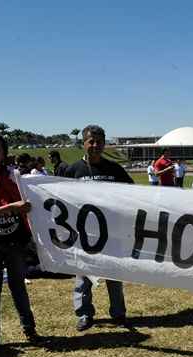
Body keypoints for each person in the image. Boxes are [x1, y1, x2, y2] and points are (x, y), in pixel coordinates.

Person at [0, 133, 42, 348]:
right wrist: (12, 207)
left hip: (15, 243)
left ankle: (30, 329)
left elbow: (31, 202)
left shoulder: (16, 178)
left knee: (18, 286)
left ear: (4, 154)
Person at [65, 125, 133, 332]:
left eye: (99, 142)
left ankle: (118, 313)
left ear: (104, 144)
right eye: (91, 141)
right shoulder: (73, 170)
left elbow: (135, 195)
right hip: (84, 235)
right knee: (83, 277)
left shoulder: (115, 169)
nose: (95, 146)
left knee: (114, 276)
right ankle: (85, 314)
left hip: (112, 234)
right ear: (83, 143)